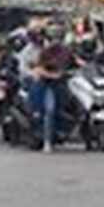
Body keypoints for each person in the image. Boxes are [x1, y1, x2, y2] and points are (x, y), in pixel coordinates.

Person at [31, 24, 74, 153]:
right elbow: (38, 69)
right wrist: (52, 75)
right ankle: (47, 141)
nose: (56, 39)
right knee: (50, 110)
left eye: (59, 36)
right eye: (54, 36)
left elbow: (77, 62)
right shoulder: (45, 52)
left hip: (64, 84)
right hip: (48, 85)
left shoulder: (67, 51)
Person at [0, 28, 28, 140]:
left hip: (21, 82)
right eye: (16, 41)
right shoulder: (6, 56)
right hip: (6, 82)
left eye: (21, 41)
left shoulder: (27, 53)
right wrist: (0, 74)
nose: (18, 43)